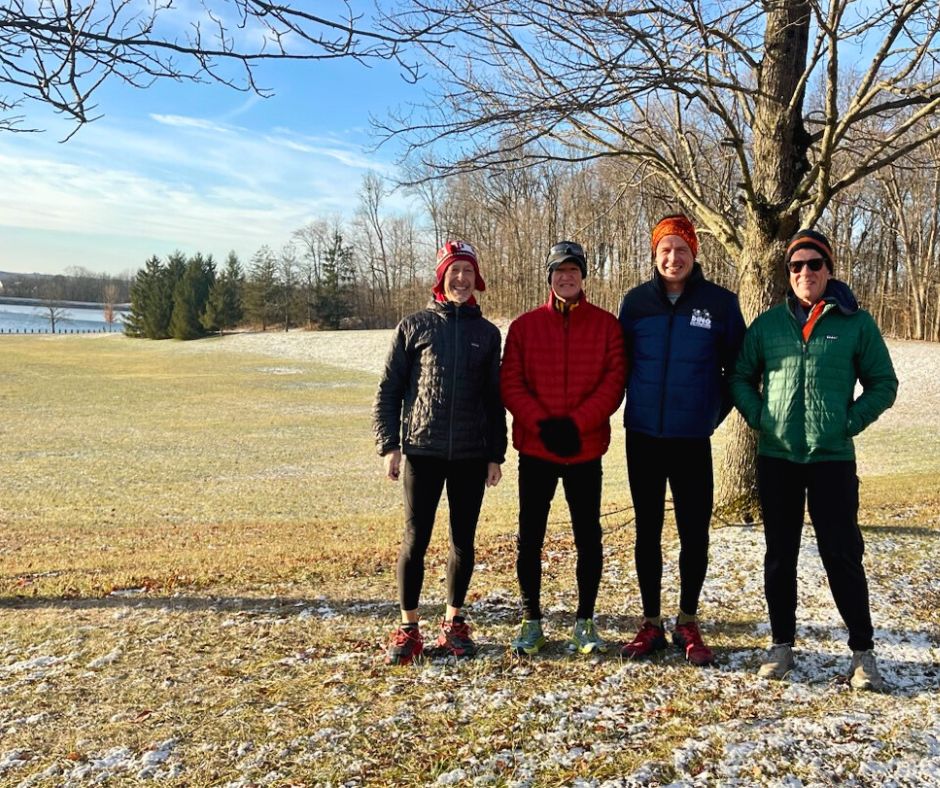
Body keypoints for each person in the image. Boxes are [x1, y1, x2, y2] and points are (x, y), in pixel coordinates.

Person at [730, 228, 898, 690]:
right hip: (777, 457)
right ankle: (781, 645)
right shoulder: (767, 325)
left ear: (829, 270)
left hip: (832, 460)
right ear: (788, 274)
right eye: (796, 266)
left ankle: (863, 653)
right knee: (779, 556)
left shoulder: (855, 323)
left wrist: (847, 423)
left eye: (814, 264)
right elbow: (740, 376)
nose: (805, 272)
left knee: (842, 554)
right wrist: (760, 417)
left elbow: (884, 384)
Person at [617, 215, 746, 666]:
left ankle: (687, 620)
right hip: (644, 438)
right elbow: (621, 364)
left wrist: (712, 413)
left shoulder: (721, 304)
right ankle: (651, 622)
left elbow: (740, 371)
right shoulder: (635, 304)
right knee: (647, 531)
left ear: (694, 254)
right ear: (655, 255)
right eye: (665, 250)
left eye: (682, 250)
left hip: (693, 438)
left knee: (694, 533)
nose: (674, 258)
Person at [373, 240, 507, 665]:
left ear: (477, 279)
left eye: (469, 272)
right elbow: (390, 389)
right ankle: (409, 627)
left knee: (462, 541)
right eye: (455, 272)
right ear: (441, 277)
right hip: (422, 451)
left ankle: (454, 622)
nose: (462, 280)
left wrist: (495, 454)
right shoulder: (413, 327)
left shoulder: (487, 335)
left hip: (471, 454)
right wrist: (389, 445)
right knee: (416, 539)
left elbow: (493, 398)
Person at [500, 241, 625, 655]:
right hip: (536, 450)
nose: (565, 277)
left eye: (573, 270)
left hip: (585, 449)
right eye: (558, 270)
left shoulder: (606, 325)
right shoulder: (524, 326)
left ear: (583, 276)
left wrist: (576, 423)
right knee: (529, 537)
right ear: (549, 277)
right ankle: (530, 619)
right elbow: (511, 382)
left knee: (588, 536)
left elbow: (613, 382)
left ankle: (585, 622)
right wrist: (542, 424)